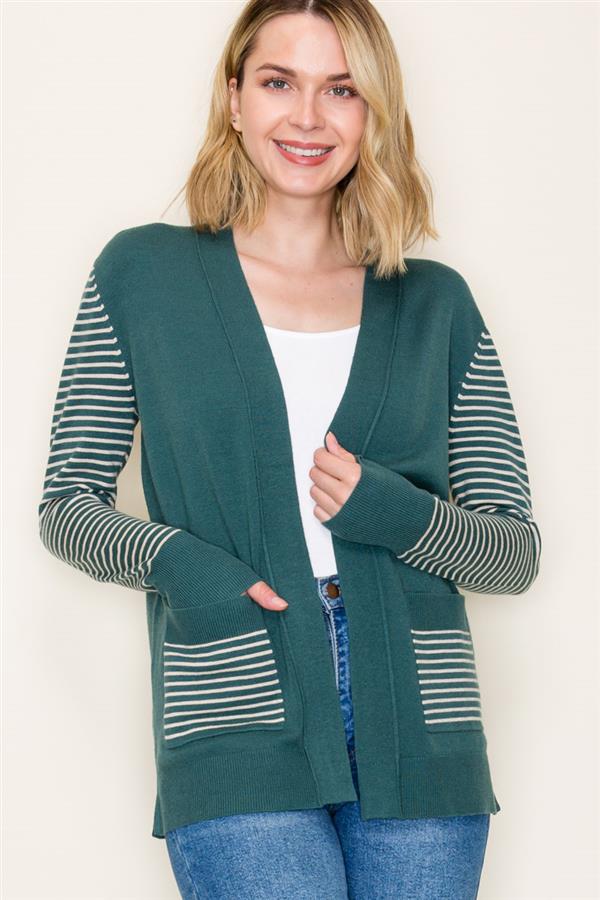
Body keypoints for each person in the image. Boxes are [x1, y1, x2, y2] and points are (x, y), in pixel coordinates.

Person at [37, 1, 542, 897]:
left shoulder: (436, 303)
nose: (308, 117)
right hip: (233, 696)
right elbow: (67, 505)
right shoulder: (142, 275)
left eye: (341, 89)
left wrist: (392, 510)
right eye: (280, 82)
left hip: (421, 720)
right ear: (235, 98)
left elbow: (514, 554)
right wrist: (187, 566)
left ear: (373, 111)